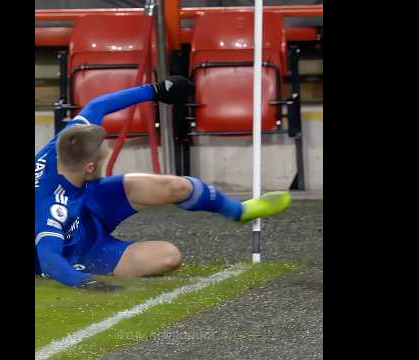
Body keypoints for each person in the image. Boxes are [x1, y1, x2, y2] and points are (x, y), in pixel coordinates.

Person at [35, 76, 291, 289]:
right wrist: (84, 281)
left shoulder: (68, 142)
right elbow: (48, 257)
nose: (107, 153)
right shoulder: (51, 207)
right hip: (77, 249)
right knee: (168, 256)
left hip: (88, 199)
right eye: (103, 154)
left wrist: (155, 90)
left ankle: (241, 211)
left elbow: (97, 106)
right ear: (90, 166)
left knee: (176, 186)